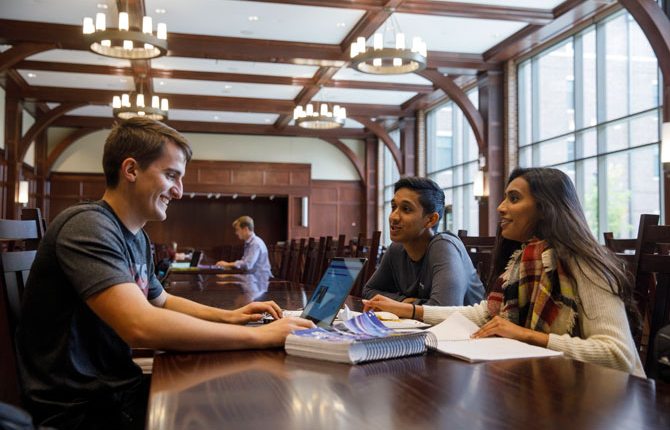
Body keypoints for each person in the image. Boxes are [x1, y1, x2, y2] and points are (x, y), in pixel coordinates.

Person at [15, 117, 314, 430]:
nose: (180, 191)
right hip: (82, 410)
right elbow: (140, 326)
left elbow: (161, 301)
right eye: (171, 175)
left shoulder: (136, 235)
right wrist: (260, 335)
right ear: (130, 170)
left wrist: (231, 316)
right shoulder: (88, 226)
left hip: (115, 391)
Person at [364, 167, 645, 376]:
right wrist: (411, 311)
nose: (500, 208)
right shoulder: (524, 261)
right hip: (556, 385)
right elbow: (483, 314)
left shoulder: (583, 263)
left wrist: (524, 334)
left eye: (513, 198)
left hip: (609, 401)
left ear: (546, 208)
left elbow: (618, 355)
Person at [362, 177, 484, 307]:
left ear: (431, 219)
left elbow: (445, 308)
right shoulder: (396, 249)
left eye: (406, 209)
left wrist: (407, 305)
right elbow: (368, 291)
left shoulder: (444, 247)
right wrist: (402, 301)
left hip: (467, 327)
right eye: (393, 207)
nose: (393, 217)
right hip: (421, 326)